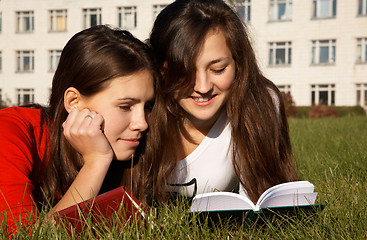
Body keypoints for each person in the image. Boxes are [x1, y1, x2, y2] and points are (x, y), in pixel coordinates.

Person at [135, 0, 298, 204]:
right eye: (184, 72)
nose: (202, 87)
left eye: (218, 69)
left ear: (238, 63)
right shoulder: (139, 106)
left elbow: (261, 201)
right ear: (161, 69)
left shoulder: (259, 101)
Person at [0, 25, 157, 235]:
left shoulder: (131, 156)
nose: (142, 123)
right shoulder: (9, 131)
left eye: (147, 107)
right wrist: (97, 161)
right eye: (125, 106)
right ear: (74, 102)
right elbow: (25, 235)